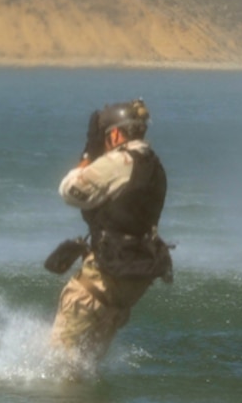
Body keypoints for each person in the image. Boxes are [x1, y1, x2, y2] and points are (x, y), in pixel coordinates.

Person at [44, 99, 172, 365]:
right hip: (129, 282)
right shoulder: (154, 167)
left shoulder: (120, 162)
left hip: (101, 279)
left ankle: (62, 402)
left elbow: (69, 190)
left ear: (115, 134)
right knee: (86, 364)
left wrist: (89, 156)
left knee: (58, 364)